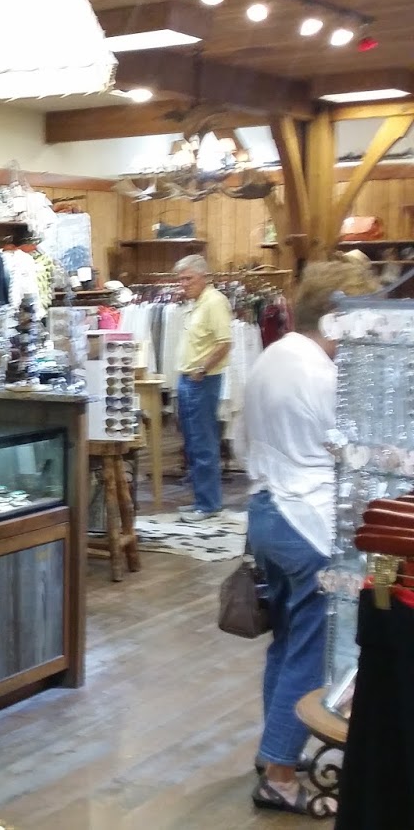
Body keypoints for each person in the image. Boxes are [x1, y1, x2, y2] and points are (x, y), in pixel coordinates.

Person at [242, 261, 377, 816]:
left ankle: (275, 751)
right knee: (310, 652)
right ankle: (279, 773)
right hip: (308, 522)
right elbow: (354, 453)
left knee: (286, 641)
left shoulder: (273, 355)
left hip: (266, 512)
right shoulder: (324, 375)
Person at [175, 254, 233, 521]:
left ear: (203, 277)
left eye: (188, 278)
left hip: (203, 381)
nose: (183, 284)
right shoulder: (197, 303)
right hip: (188, 379)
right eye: (181, 279)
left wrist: (202, 369)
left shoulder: (215, 302)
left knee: (204, 441)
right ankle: (201, 499)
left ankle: (209, 504)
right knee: (192, 442)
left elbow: (224, 343)